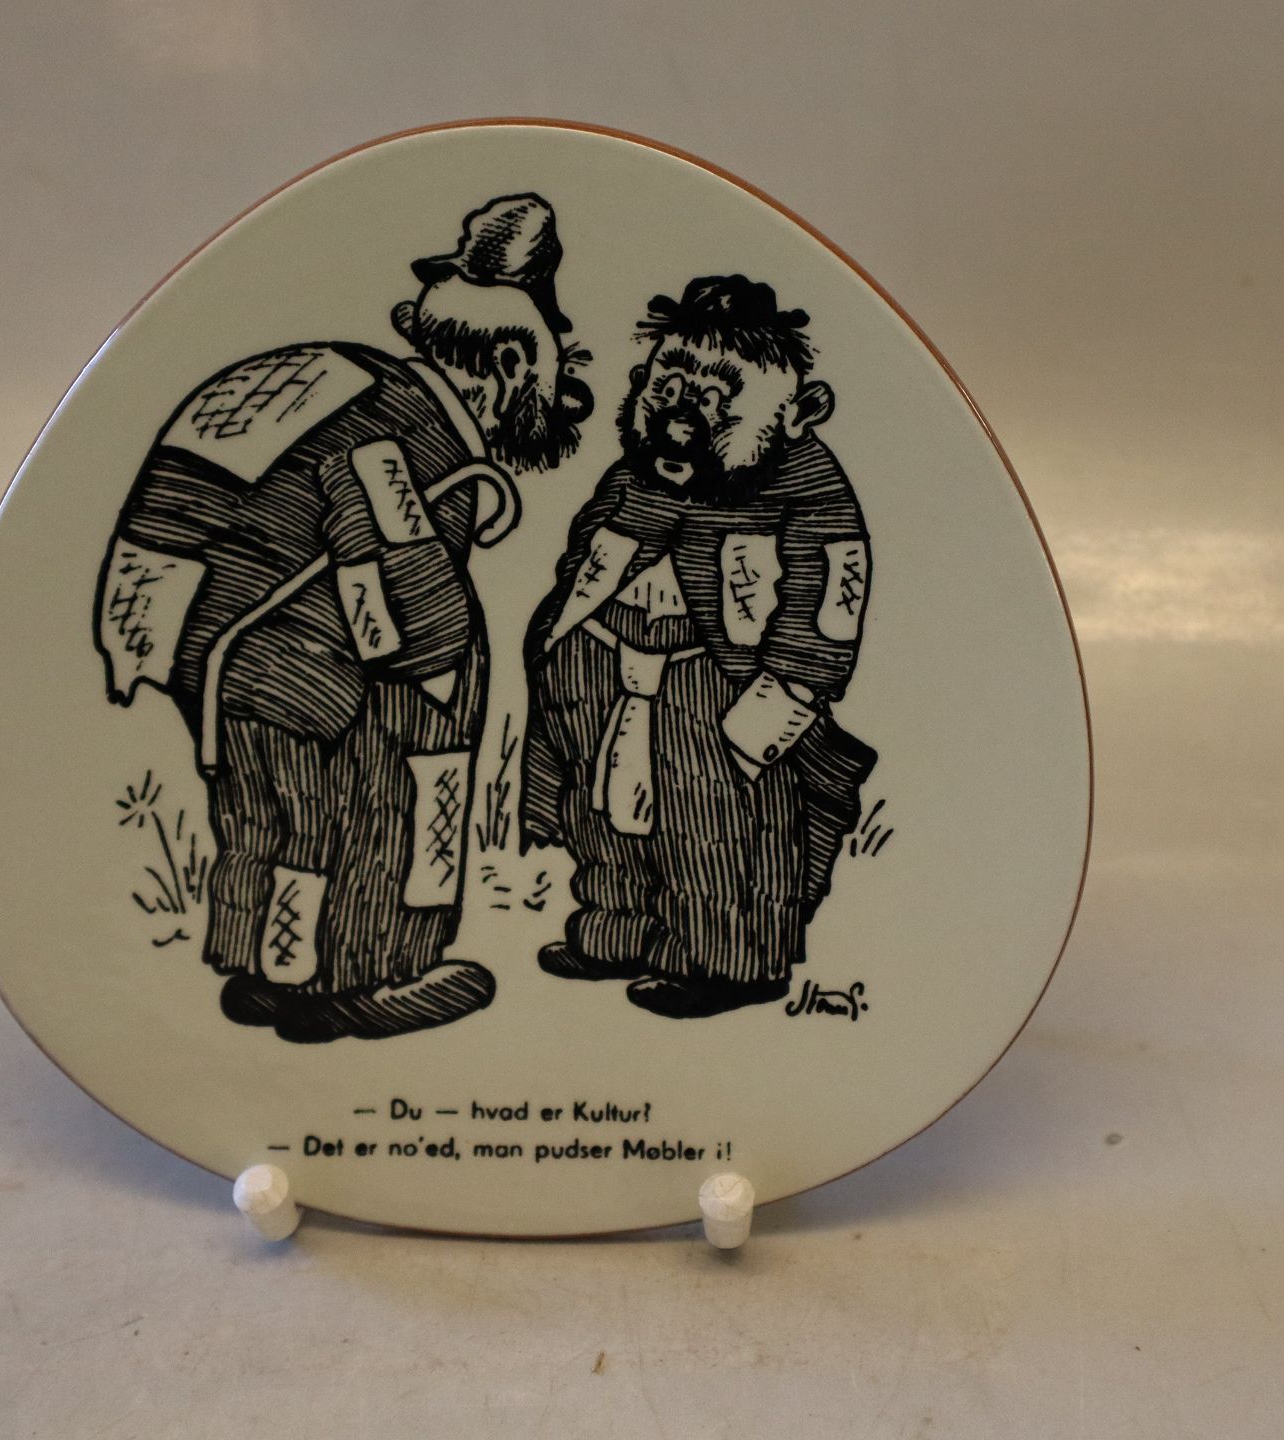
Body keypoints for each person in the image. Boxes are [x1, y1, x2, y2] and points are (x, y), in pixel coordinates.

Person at [96, 194, 593, 1043]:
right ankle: (369, 977)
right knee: (386, 808)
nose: (553, 397)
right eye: (551, 373)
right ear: (512, 363)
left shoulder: (341, 374)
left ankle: (274, 967)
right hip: (309, 665)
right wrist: (443, 674)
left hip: (203, 649)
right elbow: (397, 582)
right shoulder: (420, 433)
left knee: (277, 821)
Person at [521, 274, 874, 1018]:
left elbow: (829, 601)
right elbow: (585, 553)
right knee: (603, 818)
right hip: (602, 664)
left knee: (715, 831)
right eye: (669, 386)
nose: (683, 414)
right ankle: (617, 931)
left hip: (717, 682)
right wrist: (560, 647)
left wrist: (779, 704)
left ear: (797, 412)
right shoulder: (634, 474)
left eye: (716, 398)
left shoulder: (808, 489)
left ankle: (729, 962)